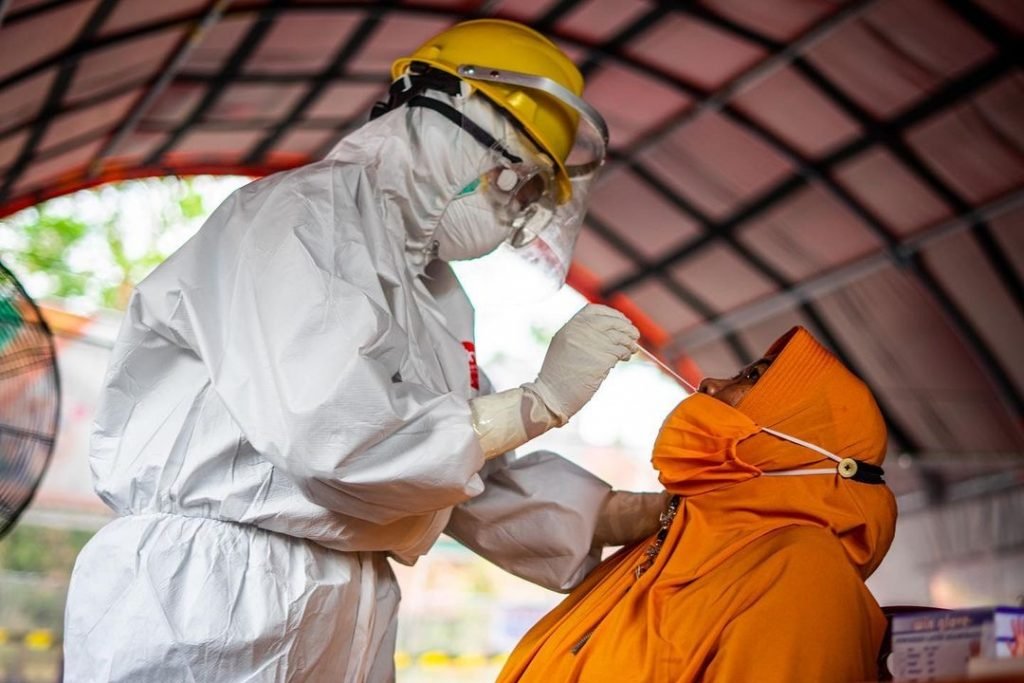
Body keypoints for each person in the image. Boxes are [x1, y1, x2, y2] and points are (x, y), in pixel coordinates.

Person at [62, 19, 668, 682]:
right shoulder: (301, 218)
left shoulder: (436, 296)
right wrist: (538, 401)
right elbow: (335, 434)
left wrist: (615, 513)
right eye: (516, 182)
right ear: (449, 118)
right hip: (215, 591)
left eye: (531, 199)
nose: (514, 212)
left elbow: (458, 473)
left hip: (345, 596)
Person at [498, 326, 899, 683]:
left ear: (804, 433)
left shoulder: (804, 574)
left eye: (752, 376)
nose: (708, 383)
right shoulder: (667, 543)